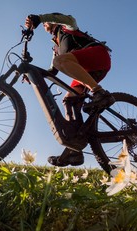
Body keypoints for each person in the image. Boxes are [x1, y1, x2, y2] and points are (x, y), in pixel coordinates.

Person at [25, 13, 115, 167]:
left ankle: (99, 92)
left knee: (60, 61)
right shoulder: (56, 47)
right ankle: (75, 149)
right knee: (69, 100)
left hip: (98, 56)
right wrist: (31, 75)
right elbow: (52, 71)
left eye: (47, 22)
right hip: (86, 72)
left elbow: (69, 19)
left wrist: (39, 18)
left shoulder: (67, 27)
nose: (45, 26)